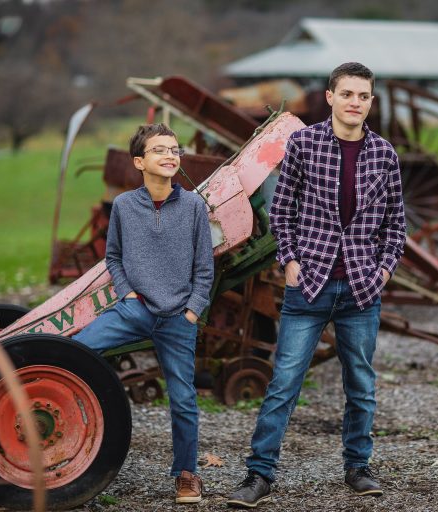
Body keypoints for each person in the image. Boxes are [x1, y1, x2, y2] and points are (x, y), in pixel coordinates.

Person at [227, 62, 406, 509]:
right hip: (309, 286)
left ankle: (358, 467)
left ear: (370, 102)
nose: (355, 103)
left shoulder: (385, 155)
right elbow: (281, 211)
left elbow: (396, 226)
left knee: (360, 384)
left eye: (363, 96)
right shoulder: (303, 144)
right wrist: (289, 260)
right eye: (347, 94)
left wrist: (383, 270)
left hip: (362, 289)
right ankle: (259, 474)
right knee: (284, 382)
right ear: (330, 97)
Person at [73, 123, 214, 504]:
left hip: (177, 319)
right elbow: (113, 256)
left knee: (183, 398)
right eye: (160, 150)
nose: (171, 155)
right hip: (133, 310)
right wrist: (128, 295)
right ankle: (73, 449)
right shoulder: (123, 206)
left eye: (174, 149)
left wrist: (191, 311)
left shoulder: (194, 206)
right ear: (139, 161)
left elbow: (205, 268)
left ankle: (186, 475)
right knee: (78, 353)